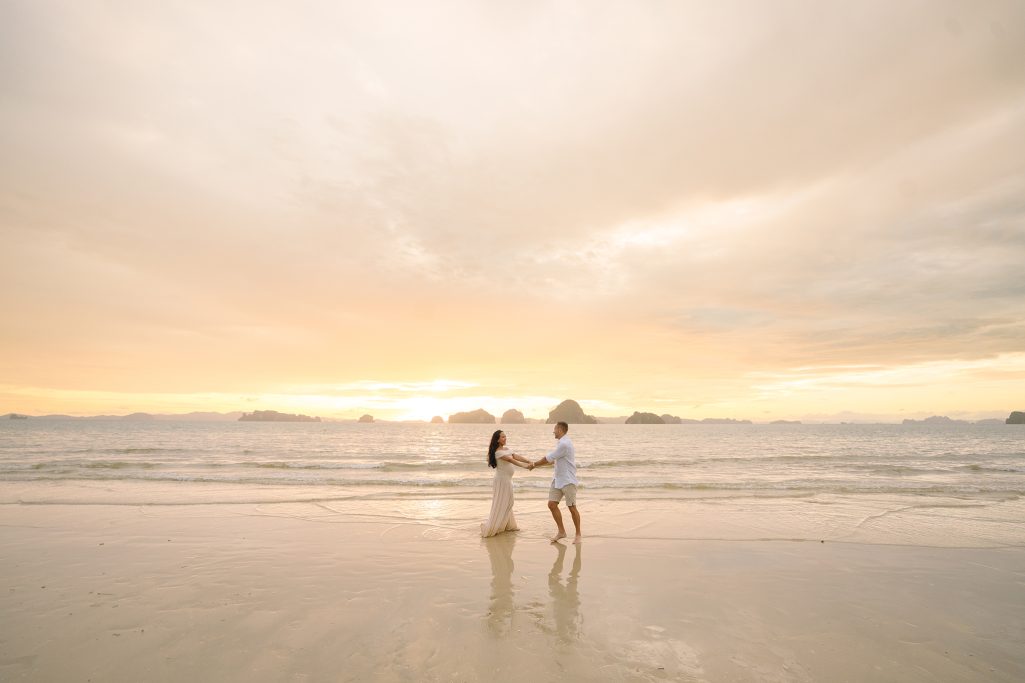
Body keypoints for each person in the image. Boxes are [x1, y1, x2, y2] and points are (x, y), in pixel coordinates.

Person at [532, 421, 581, 544]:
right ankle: (561, 532)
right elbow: (553, 460)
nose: (553, 431)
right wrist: (536, 465)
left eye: (554, 429)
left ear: (560, 429)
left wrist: (533, 464)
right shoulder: (561, 443)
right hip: (558, 479)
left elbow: (548, 458)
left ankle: (578, 534)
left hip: (568, 480)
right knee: (552, 504)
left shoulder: (564, 444)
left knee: (572, 507)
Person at [481, 430, 534, 537]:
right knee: (504, 502)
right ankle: (494, 526)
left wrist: (528, 461)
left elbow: (515, 456)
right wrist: (525, 467)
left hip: (507, 480)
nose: (505, 438)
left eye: (505, 436)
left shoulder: (507, 449)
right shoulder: (498, 452)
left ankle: (508, 525)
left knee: (507, 502)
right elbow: (511, 460)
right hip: (501, 481)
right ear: (497, 439)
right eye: (503, 437)